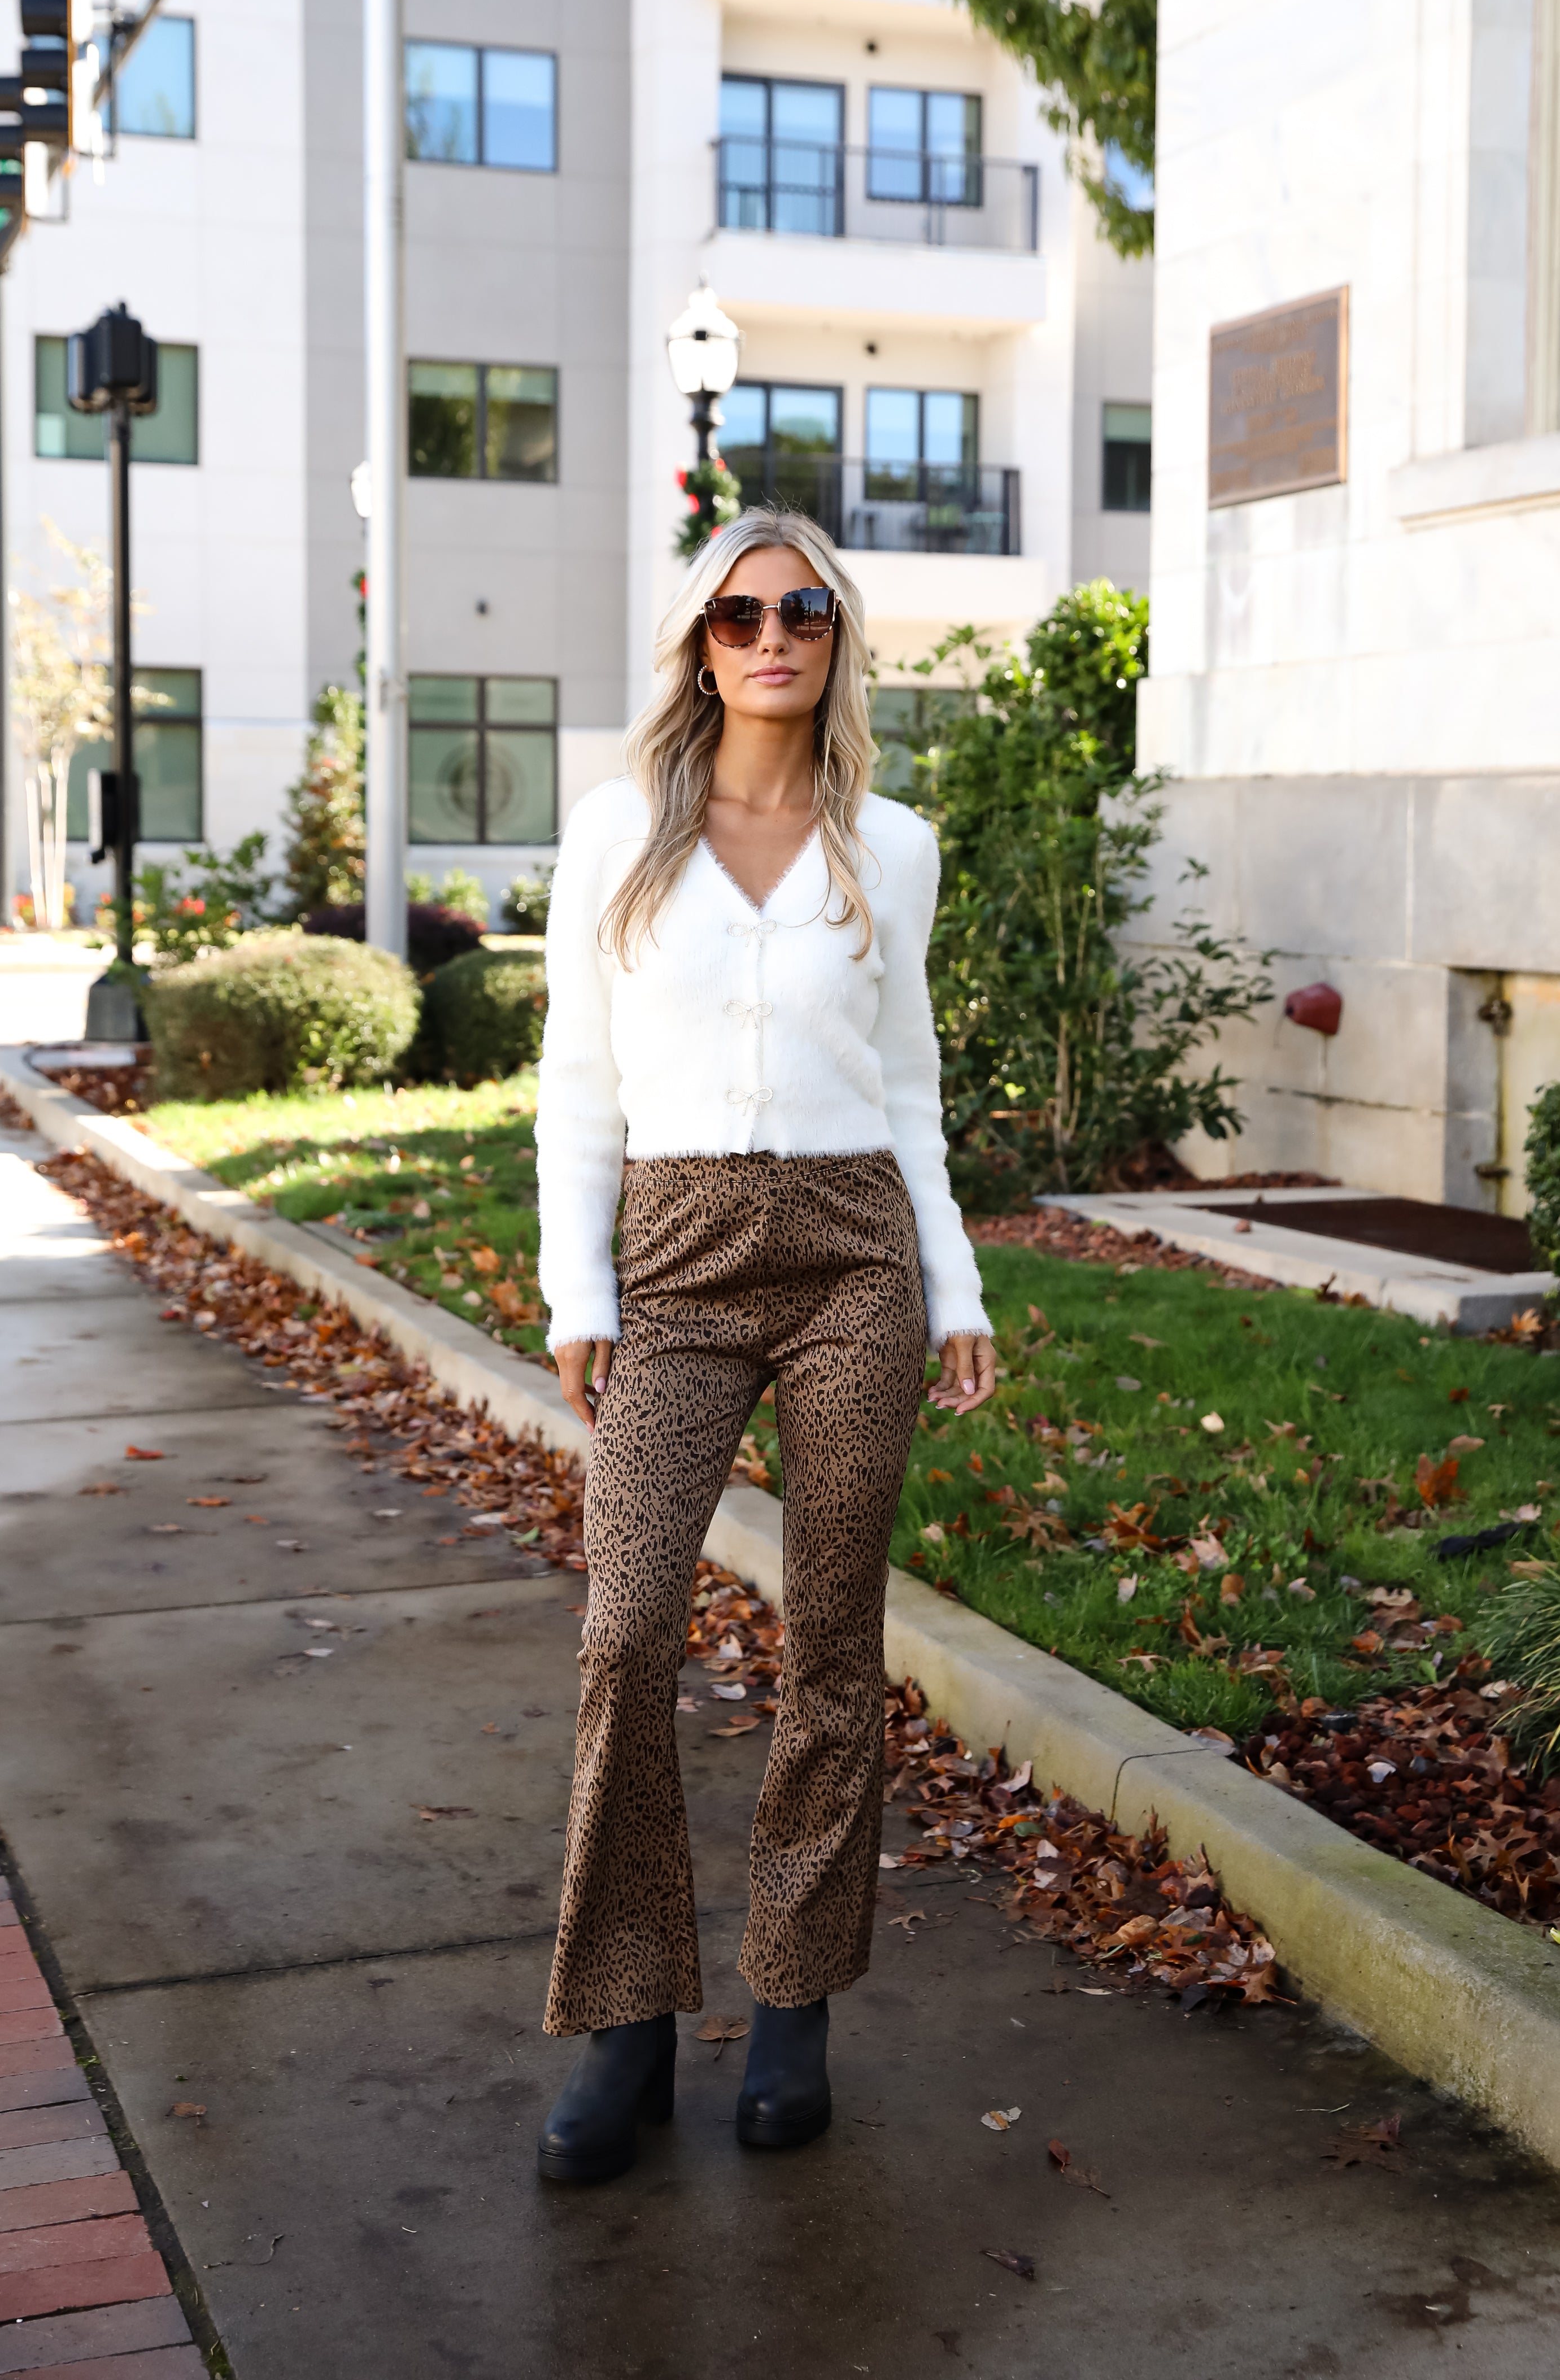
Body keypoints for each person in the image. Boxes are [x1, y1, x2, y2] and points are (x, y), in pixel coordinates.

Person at [534, 507, 996, 2183]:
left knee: (829, 1643)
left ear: (837, 638)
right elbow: (574, 1081)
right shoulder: (615, 836)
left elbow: (916, 1093)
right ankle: (626, 2015)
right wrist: (575, 1288)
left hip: (851, 1256)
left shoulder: (897, 843)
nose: (771, 636)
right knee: (623, 1630)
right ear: (699, 642)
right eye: (739, 614)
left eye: (803, 609)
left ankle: (794, 2000)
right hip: (672, 1259)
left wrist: (953, 1286)